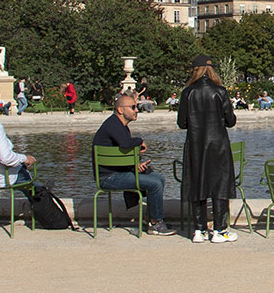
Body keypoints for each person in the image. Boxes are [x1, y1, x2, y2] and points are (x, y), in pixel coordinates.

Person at [93, 93, 174, 235]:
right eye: (133, 107)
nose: (137, 110)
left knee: (158, 178)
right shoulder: (114, 125)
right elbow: (125, 144)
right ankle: (156, 224)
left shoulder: (117, 125)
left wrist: (135, 165)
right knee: (154, 184)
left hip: (115, 172)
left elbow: (118, 156)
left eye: (136, 107)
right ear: (120, 110)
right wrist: (140, 140)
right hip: (108, 178)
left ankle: (151, 218)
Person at [179, 55, 238, 243]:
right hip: (218, 143)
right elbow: (230, 121)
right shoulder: (219, 91)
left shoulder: (188, 92)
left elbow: (182, 123)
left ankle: (199, 229)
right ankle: (220, 229)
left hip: (196, 143)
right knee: (220, 185)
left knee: (198, 182)